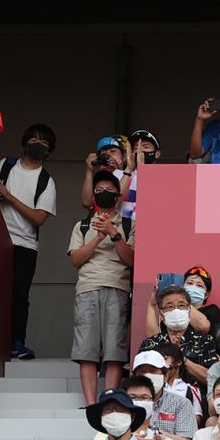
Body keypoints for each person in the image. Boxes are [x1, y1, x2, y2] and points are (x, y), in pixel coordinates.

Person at [0, 124, 58, 361]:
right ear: (25, 141)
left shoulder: (46, 181)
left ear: (49, 151)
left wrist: (10, 198)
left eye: (44, 143)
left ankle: (17, 343)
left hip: (26, 244)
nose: (38, 145)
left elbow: (39, 218)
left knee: (19, 296)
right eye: (34, 140)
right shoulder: (5, 165)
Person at [70, 169, 135, 403]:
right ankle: (90, 405)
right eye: (99, 191)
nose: (104, 194)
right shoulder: (82, 226)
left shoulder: (129, 225)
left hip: (118, 289)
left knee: (114, 352)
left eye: (109, 190)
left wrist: (115, 234)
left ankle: (109, 400)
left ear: (118, 196)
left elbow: (133, 260)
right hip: (87, 289)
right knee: (86, 350)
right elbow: (75, 260)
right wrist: (98, 236)